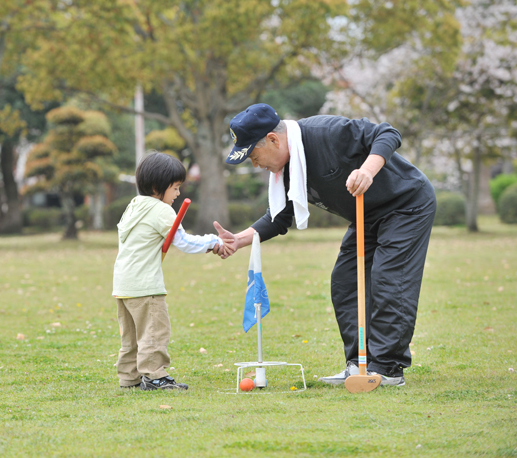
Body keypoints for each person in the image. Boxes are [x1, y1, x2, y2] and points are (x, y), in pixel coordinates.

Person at [213, 103, 436, 387]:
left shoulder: (326, 133)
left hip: (406, 205)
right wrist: (238, 240)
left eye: (254, 156)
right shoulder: (287, 170)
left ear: (273, 139)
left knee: (389, 279)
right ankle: (359, 364)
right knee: (345, 281)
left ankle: (388, 368)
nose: (255, 165)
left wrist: (368, 170)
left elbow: (387, 133)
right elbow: (279, 218)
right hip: (366, 215)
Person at [113, 151, 233, 390]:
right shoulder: (161, 211)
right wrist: (213, 241)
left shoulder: (134, 205)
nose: (178, 194)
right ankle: (155, 376)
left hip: (123, 285)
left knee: (132, 336)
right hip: (146, 286)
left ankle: (129, 377)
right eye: (175, 187)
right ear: (159, 186)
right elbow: (184, 242)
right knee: (154, 332)